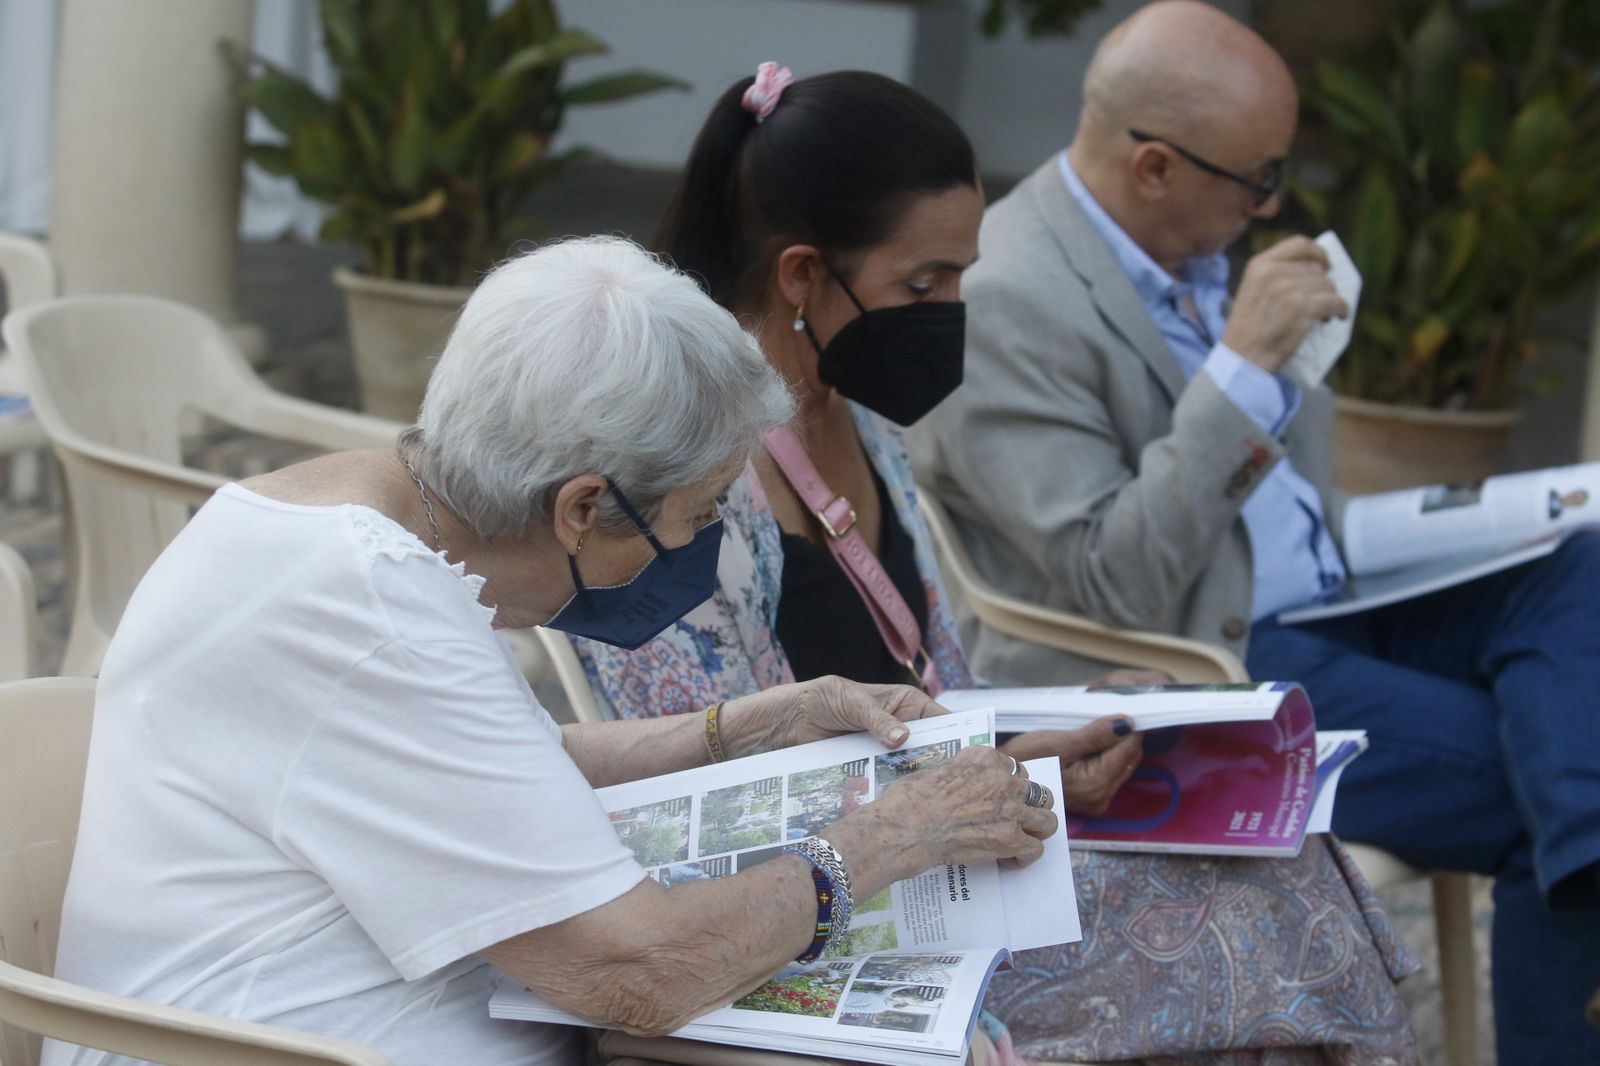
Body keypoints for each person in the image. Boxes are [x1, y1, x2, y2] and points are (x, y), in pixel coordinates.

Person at [575, 66, 1419, 1065]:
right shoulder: (680, 486)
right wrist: (984, 786)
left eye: (961, 277)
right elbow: (707, 815)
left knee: (1273, 859)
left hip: (955, 846)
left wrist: (1052, 735)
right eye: (923, 285)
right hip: (840, 911)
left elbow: (936, 680)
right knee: (1263, 924)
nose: (950, 312)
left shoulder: (857, 421)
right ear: (802, 275)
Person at [43, 237, 1060, 1066]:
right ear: (583, 506)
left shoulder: (358, 519)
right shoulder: (365, 608)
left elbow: (490, 766)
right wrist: (888, 839)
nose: (707, 546)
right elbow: (639, 971)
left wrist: (760, 719)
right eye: (701, 513)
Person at [908, 2, 1600, 1059]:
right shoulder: (1006, 301)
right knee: (1547, 802)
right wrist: (1239, 369)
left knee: (1578, 558)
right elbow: (1111, 579)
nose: (1271, 204)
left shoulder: (1190, 241)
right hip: (1194, 655)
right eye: (1257, 178)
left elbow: (1286, 492)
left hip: (1333, 595)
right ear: (1152, 167)